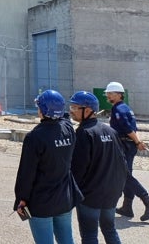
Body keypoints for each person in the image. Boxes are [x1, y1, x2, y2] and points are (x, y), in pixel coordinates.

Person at [14, 89, 82, 244]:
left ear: (43, 110)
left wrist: (22, 199)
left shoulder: (35, 137)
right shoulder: (68, 129)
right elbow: (64, 117)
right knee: (66, 240)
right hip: (64, 197)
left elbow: (27, 173)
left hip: (41, 201)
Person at [69, 91, 128, 244]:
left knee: (89, 235)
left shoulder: (84, 133)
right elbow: (123, 164)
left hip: (90, 196)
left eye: (75, 107)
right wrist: (117, 190)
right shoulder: (111, 131)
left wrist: (75, 193)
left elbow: (78, 169)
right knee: (109, 230)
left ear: (87, 110)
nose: (71, 110)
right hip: (111, 194)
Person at [105, 81, 149, 221]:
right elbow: (132, 128)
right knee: (127, 174)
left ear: (119, 95)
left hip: (124, 145)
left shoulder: (118, 109)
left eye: (110, 93)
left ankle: (148, 201)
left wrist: (138, 142)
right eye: (107, 93)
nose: (107, 95)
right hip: (129, 144)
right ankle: (127, 207)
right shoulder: (126, 108)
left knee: (124, 176)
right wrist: (136, 142)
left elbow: (126, 128)